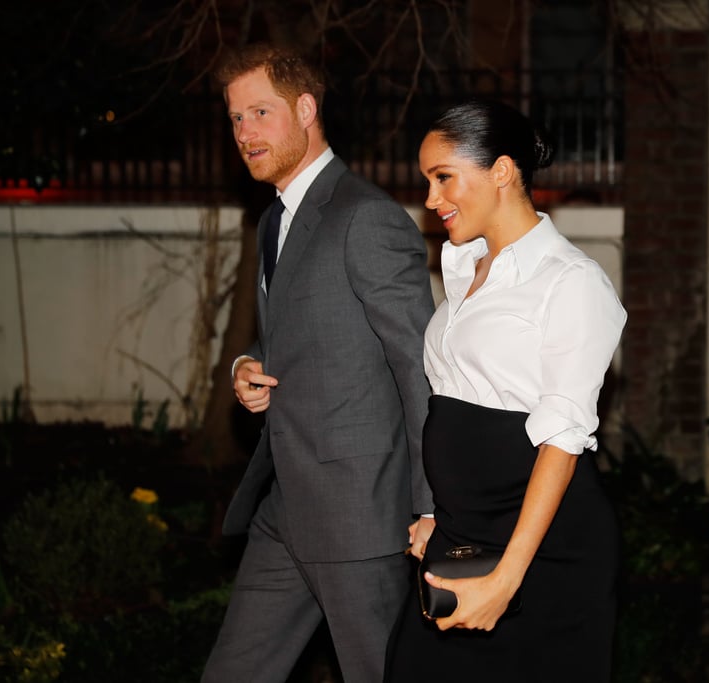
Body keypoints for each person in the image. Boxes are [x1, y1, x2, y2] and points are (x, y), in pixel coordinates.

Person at [201, 43, 436, 683]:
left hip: (358, 517)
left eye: (259, 112)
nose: (244, 133)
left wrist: (432, 504)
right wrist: (246, 368)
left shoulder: (365, 218)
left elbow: (418, 367)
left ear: (305, 109)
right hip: (285, 507)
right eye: (234, 118)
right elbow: (295, 339)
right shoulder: (274, 220)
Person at [384, 100, 626, 682]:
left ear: (502, 170)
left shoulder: (572, 282)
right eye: (427, 182)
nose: (432, 199)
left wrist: (506, 579)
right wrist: (439, 514)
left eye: (444, 177)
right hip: (465, 533)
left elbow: (563, 440)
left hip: (540, 550)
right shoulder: (464, 268)